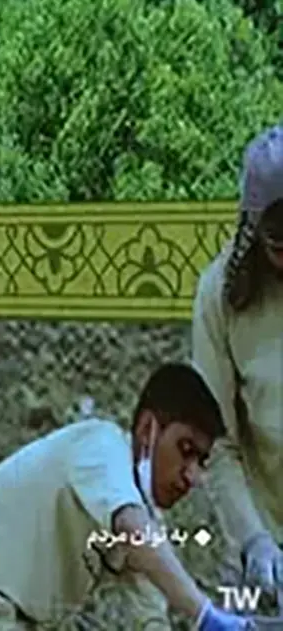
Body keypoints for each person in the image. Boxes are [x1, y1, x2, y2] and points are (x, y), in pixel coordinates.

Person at [0, 362, 257, 630]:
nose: (192, 476)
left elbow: (149, 611)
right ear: (147, 430)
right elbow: (132, 528)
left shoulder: (144, 525)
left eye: (202, 461)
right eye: (185, 450)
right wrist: (203, 614)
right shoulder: (101, 446)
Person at [192, 124, 283, 611]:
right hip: (266, 545)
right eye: (280, 248)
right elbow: (217, 442)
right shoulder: (220, 297)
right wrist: (254, 540)